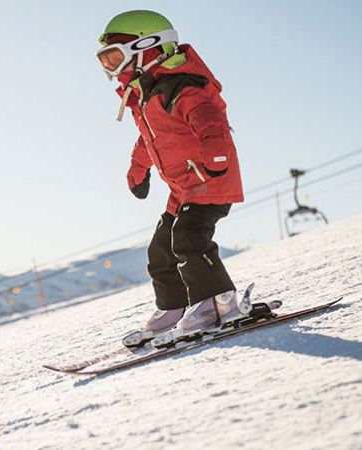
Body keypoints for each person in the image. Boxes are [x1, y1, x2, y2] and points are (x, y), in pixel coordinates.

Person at [95, 10, 248, 349]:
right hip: (182, 188)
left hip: (210, 177)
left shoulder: (184, 84)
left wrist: (217, 151)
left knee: (189, 240)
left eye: (116, 56)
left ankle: (218, 304)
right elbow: (148, 139)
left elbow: (209, 119)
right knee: (161, 250)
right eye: (106, 60)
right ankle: (174, 308)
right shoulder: (146, 97)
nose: (112, 67)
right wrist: (138, 170)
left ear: (148, 47)